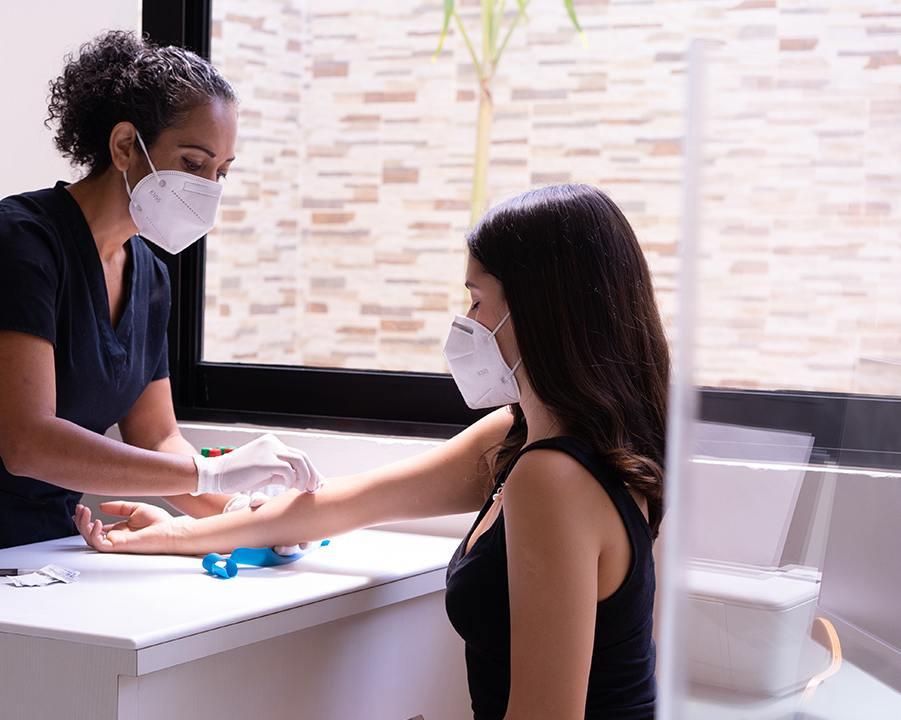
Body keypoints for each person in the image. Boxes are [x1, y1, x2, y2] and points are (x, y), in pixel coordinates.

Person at [74, 184, 668, 719]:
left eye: (478, 300)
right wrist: (174, 536)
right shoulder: (518, 439)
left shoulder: (551, 478)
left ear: (537, 313)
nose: (468, 322)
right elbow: (334, 507)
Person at [0, 31, 322, 578]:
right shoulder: (14, 246)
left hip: (38, 548)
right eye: (193, 163)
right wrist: (213, 474)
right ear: (124, 146)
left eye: (222, 172)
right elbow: (29, 442)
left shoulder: (150, 278)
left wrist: (251, 515)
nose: (209, 188)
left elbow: (156, 436)